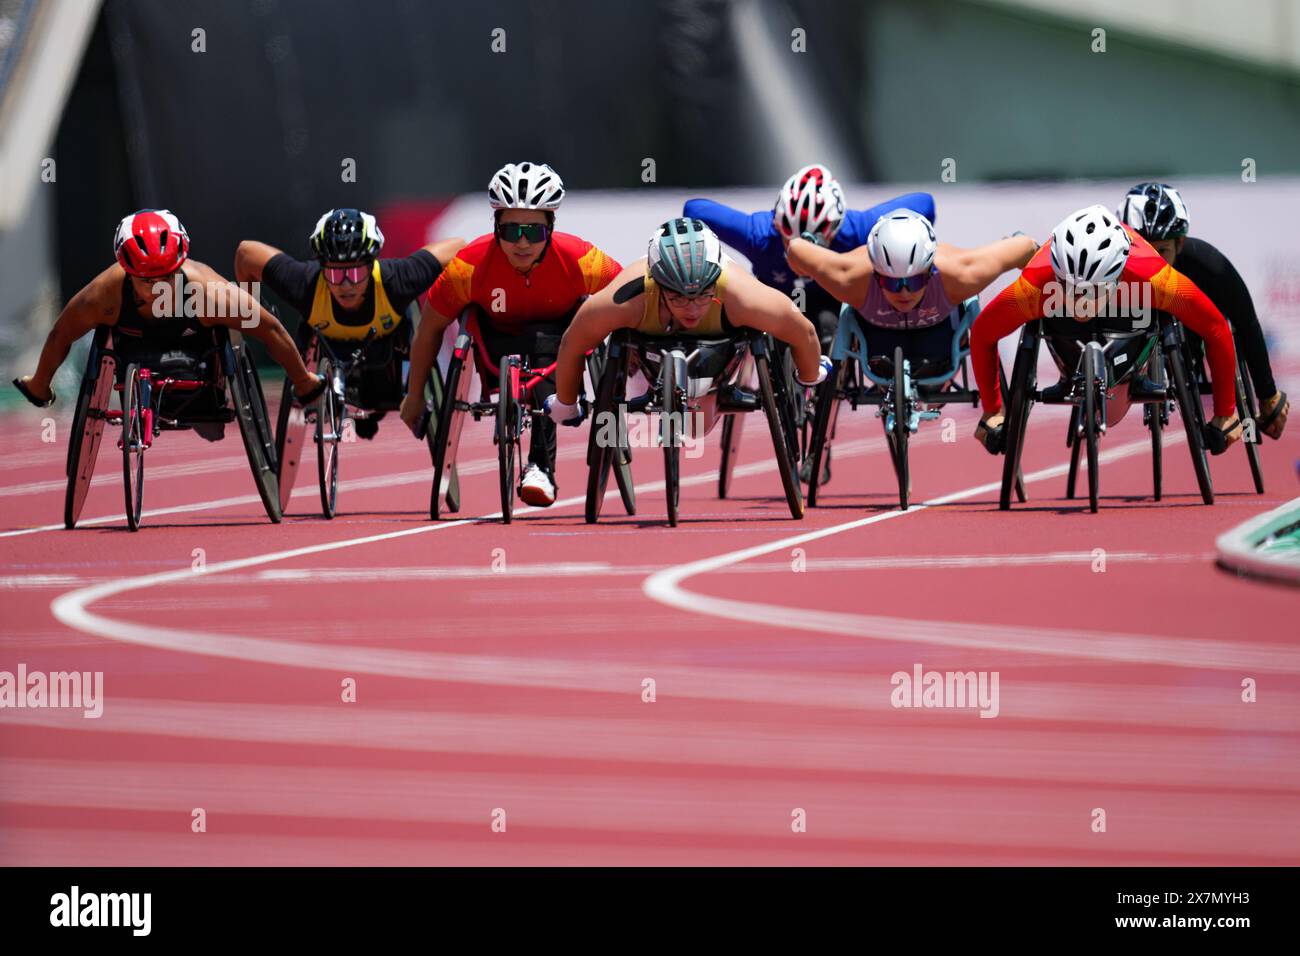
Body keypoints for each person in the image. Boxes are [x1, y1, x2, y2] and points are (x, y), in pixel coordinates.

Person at [686, 165, 935, 484]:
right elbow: (693, 209)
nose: (797, 247)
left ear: (836, 226)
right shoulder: (759, 233)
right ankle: (785, 398)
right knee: (773, 337)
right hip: (776, 305)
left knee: (833, 329)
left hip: (829, 306)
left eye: (815, 239)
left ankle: (821, 429)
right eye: (787, 235)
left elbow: (925, 203)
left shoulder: (856, 230)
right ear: (777, 222)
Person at [398, 162, 622, 507]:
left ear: (551, 227)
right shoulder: (467, 267)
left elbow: (627, 295)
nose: (522, 242)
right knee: (527, 343)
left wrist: (628, 349)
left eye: (534, 232)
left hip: (560, 347)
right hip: (496, 345)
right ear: (496, 227)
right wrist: (415, 395)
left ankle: (540, 467)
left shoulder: (581, 259)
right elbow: (429, 329)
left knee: (549, 344)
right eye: (511, 230)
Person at [13, 209, 325, 433]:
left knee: (214, 423)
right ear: (127, 272)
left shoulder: (208, 292)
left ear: (180, 265)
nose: (156, 288)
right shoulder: (104, 295)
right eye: (145, 280)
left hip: (196, 355)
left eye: (165, 276)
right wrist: (40, 383)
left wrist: (302, 380)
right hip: (134, 353)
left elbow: (270, 329)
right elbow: (61, 334)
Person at [968, 204, 1242, 455]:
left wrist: (1225, 412)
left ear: (1117, 276)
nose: (1079, 300)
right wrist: (993, 411)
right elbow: (982, 334)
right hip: (1066, 325)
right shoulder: (1036, 284)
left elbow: (1215, 327)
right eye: (1069, 287)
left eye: (1090, 291)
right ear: (1057, 273)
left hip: (1131, 321)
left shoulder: (1155, 278)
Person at [545, 217, 827, 435]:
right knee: (687, 423)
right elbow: (574, 342)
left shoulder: (742, 296)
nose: (691, 308)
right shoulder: (627, 299)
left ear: (715, 282)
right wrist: (566, 404)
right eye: (678, 297)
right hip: (648, 359)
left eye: (703, 295)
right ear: (658, 285)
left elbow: (803, 331)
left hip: (718, 364)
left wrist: (810, 374)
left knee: (696, 427)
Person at [235, 208, 465, 438]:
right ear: (322, 268)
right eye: (335, 275)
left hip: (387, 366)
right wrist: (253, 316)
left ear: (371, 265)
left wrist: (447, 301)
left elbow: (459, 248)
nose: (346, 285)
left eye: (355, 273)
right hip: (329, 356)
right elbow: (246, 254)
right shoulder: (305, 284)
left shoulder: (396, 280)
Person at [1119, 182, 1287, 439]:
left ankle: (1189, 361)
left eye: (1162, 250)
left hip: (1192, 330)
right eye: (1145, 249)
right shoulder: (1112, 266)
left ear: (1180, 243)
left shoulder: (1209, 265)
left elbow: (1246, 323)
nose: (1154, 263)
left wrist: (1268, 395)